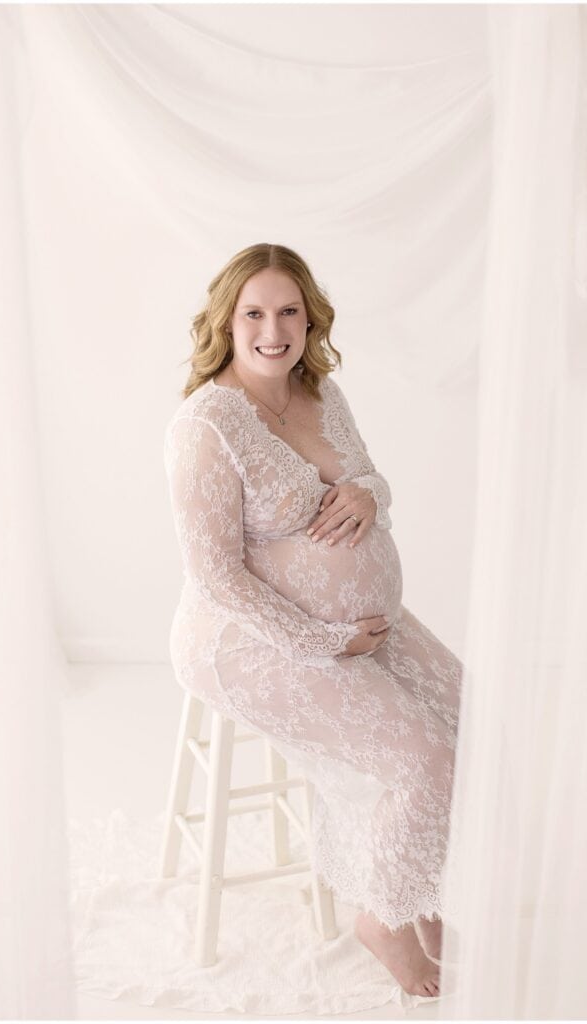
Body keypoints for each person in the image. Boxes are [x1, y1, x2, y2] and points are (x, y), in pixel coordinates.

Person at [164, 242, 463, 998]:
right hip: (244, 638)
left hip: (363, 621)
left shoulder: (318, 391)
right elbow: (216, 576)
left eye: (289, 311)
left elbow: (365, 474)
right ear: (227, 322)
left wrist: (366, 495)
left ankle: (424, 892)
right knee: (425, 757)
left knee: (474, 722)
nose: (275, 329)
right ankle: (384, 917)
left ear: (309, 319)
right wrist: (327, 641)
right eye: (255, 313)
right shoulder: (206, 424)